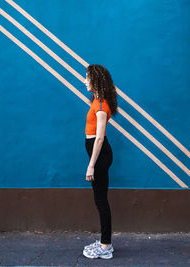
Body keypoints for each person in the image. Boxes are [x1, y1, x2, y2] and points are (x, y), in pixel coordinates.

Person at [82, 64, 118, 260]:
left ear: (95, 80)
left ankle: (106, 246)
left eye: (87, 77)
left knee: (101, 200)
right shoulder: (97, 100)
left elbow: (100, 138)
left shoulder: (102, 106)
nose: (84, 81)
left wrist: (91, 165)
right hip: (97, 154)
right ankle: (105, 242)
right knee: (100, 199)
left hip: (101, 155)